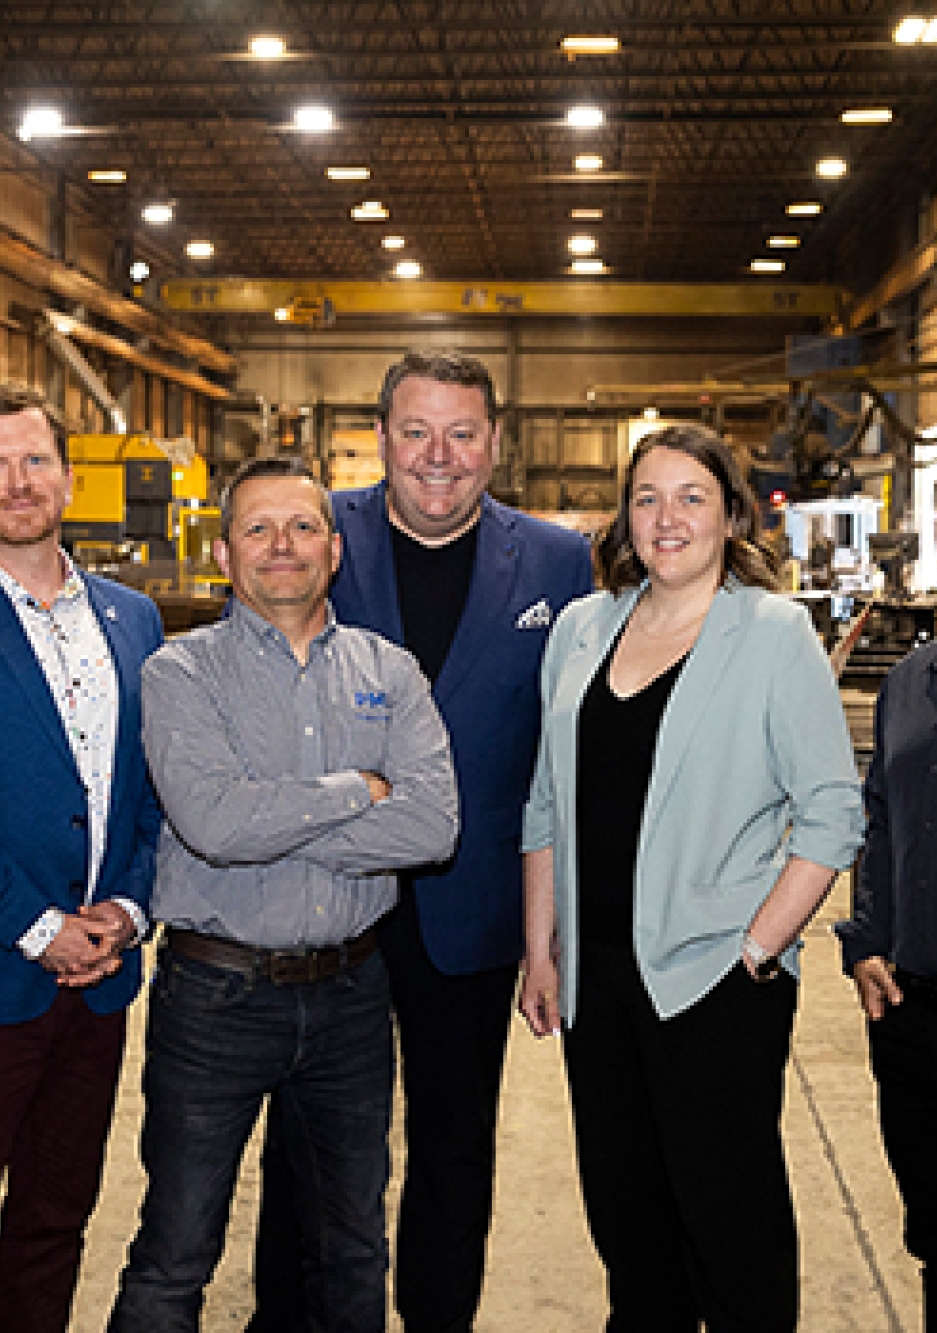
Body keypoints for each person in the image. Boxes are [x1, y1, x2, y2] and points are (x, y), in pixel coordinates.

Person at [249, 352, 593, 1333]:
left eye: (462, 432)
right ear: (380, 437)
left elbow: (566, 750)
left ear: (495, 442)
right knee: (311, 1143)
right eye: (415, 431)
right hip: (327, 901)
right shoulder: (320, 534)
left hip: (472, 910)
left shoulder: (559, 562)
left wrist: (550, 925)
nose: (438, 456)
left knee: (454, 1145)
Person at [520, 423, 864, 1332]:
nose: (666, 517)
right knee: (628, 1223)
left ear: (730, 514)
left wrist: (758, 947)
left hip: (715, 980)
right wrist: (540, 950)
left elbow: (833, 813)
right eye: (647, 497)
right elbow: (547, 801)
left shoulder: (771, 633)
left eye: (691, 497)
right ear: (624, 517)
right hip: (598, 981)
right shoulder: (582, 628)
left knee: (732, 1226)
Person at [106, 457, 458, 1333]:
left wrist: (275, 811)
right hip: (215, 1000)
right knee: (176, 1251)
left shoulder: (390, 668)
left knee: (351, 1250)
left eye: (302, 527)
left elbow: (433, 827)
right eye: (258, 529)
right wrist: (357, 789)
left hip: (350, 1000)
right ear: (226, 553)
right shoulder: (179, 673)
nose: (282, 546)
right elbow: (213, 823)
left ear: (334, 550)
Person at [0, 391, 163, 1333]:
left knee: (55, 1217)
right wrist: (36, 926)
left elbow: (149, 786)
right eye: (1, 464)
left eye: (36, 461)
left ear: (68, 474)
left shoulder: (132, 617)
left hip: (97, 983)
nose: (19, 483)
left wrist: (128, 911)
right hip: (5, 968)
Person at [836, 445, 937, 1330]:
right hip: (913, 1025)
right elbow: (881, 822)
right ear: (936, 537)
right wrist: (865, 942)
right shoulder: (907, 683)